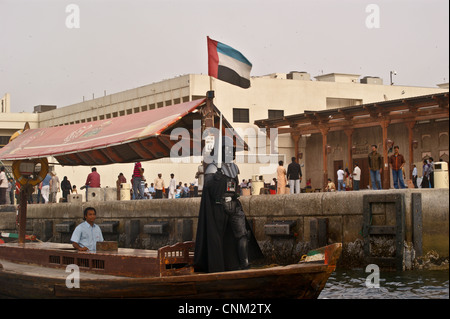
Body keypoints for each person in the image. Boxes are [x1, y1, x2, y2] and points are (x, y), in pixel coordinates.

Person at [194, 136, 263, 273]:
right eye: (228, 150)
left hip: (234, 204)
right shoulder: (213, 168)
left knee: (242, 234)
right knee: (217, 237)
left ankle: (244, 263)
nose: (231, 153)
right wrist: (215, 180)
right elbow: (209, 188)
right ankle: (218, 265)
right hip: (219, 207)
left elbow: (235, 186)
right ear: (221, 151)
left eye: (232, 150)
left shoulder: (233, 168)